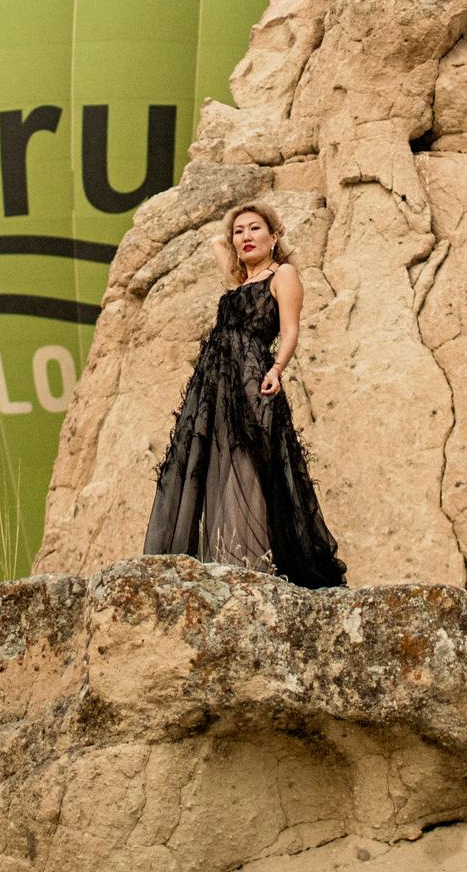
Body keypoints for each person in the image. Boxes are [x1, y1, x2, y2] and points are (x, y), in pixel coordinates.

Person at [142, 202, 347, 587]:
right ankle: (221, 561)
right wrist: (238, 233)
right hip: (214, 381)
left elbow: (290, 331)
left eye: (255, 229)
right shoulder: (238, 283)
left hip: (253, 376)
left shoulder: (283, 274)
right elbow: (217, 241)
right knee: (208, 461)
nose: (245, 237)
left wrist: (277, 370)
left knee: (247, 462)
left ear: (274, 235)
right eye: (240, 232)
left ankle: (254, 566)